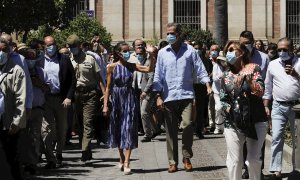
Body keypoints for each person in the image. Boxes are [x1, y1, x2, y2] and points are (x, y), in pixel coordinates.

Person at [153, 23, 212, 173]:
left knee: (187, 125)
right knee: (170, 130)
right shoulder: (162, 53)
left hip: (186, 95)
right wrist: (158, 96)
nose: (169, 36)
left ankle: (187, 157)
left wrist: (207, 85)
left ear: (179, 34)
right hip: (169, 96)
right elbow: (158, 75)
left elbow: (200, 69)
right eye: (167, 33)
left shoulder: (190, 51)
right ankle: (172, 161)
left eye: (172, 33)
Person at [103, 42, 155, 175]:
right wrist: (105, 105)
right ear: (118, 53)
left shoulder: (132, 66)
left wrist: (152, 55)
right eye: (124, 51)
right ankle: (121, 158)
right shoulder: (111, 67)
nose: (127, 53)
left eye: (128, 50)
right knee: (118, 129)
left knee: (128, 128)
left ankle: (127, 162)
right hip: (116, 100)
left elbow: (149, 69)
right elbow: (108, 87)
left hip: (129, 99)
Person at [220, 41, 268, 180]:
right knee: (234, 161)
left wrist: (249, 82)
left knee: (253, 160)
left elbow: (260, 91)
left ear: (241, 53)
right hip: (233, 122)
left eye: (231, 50)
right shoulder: (226, 75)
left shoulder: (253, 68)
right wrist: (232, 111)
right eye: (226, 51)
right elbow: (223, 99)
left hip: (256, 119)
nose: (228, 53)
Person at [263, 37, 300, 179]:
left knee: (297, 140)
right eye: (279, 50)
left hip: (297, 107)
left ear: (292, 49)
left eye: (285, 49)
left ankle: (296, 170)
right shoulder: (273, 64)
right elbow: (268, 86)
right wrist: (266, 105)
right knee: (277, 137)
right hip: (278, 106)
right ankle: (275, 170)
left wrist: (296, 75)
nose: (282, 52)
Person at [67, 34, 105, 162]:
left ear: (79, 46)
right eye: (70, 47)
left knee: (88, 123)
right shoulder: (68, 60)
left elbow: (99, 79)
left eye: (74, 46)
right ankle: (87, 150)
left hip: (90, 94)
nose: (72, 49)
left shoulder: (90, 59)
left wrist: (105, 95)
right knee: (80, 125)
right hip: (76, 95)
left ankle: (84, 151)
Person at [40, 36, 76, 169]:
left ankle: (59, 152)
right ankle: (50, 158)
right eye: (48, 44)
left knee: (62, 128)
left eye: (53, 44)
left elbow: (73, 80)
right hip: (45, 99)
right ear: (44, 46)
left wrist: (69, 97)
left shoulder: (64, 59)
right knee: (47, 130)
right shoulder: (39, 60)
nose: (51, 46)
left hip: (61, 99)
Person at [239, 31, 270, 178]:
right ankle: (246, 168)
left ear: (253, 41)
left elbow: (268, 81)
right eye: (242, 43)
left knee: (259, 137)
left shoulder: (263, 58)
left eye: (247, 42)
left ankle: (259, 169)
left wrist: (266, 103)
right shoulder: (239, 57)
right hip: (243, 102)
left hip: (258, 100)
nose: (245, 45)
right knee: (244, 136)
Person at [0, 37, 27, 180]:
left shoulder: (16, 71)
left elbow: (20, 98)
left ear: (9, 51)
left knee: (11, 157)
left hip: (8, 121)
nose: (0, 53)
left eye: (3, 50)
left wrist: (16, 121)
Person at [128, 39, 158, 142]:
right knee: (147, 112)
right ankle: (155, 129)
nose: (140, 47)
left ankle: (147, 134)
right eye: (138, 45)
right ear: (134, 47)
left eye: (142, 45)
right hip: (136, 88)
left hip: (147, 90)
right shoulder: (131, 57)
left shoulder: (150, 59)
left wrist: (145, 90)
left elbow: (151, 77)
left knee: (144, 112)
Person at [212, 51, 227, 135]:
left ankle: (224, 127)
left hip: (226, 92)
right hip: (217, 91)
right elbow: (214, 79)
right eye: (221, 60)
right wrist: (220, 77)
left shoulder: (229, 67)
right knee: (218, 108)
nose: (222, 62)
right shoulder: (216, 66)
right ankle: (217, 126)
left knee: (225, 109)